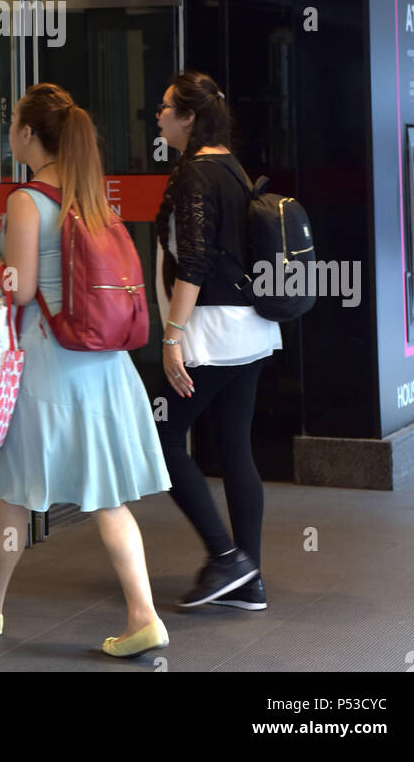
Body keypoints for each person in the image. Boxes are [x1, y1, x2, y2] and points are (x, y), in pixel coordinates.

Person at [0, 82, 172, 659]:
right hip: (104, 366)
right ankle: (142, 614)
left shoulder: (25, 200)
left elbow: (20, 289)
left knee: (15, 489)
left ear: (30, 135)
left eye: (15, 120)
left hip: (49, 364)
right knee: (107, 496)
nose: (11, 129)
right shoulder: (92, 195)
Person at [153, 69, 282, 611]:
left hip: (210, 332)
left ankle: (226, 558)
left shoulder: (196, 175)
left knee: (162, 436)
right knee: (233, 447)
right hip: (249, 328)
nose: (157, 115)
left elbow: (197, 260)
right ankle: (247, 582)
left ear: (188, 117)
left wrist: (172, 336)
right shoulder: (230, 166)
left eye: (165, 107)